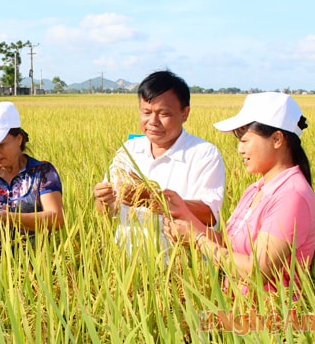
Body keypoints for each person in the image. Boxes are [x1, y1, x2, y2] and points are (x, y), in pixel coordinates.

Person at [163, 92, 315, 295]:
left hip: (270, 321)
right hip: (238, 314)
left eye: (245, 141)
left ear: (277, 139)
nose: (239, 150)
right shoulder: (256, 189)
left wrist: (197, 239)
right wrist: (184, 212)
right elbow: (227, 244)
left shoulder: (291, 196)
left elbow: (258, 271)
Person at [93, 70, 225, 257]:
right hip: (128, 266)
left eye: (163, 113)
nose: (153, 121)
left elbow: (209, 214)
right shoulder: (129, 150)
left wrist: (149, 198)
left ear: (185, 113)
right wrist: (103, 199)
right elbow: (106, 212)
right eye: (146, 112)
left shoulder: (203, 154)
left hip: (183, 270)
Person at [0, 101, 64, 265]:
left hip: (37, 267)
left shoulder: (42, 172)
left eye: (0, 144)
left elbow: (56, 219)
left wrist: (8, 218)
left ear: (19, 139)